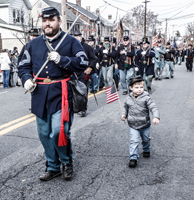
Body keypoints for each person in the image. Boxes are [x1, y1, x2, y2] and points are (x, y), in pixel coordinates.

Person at [18, 7, 88, 181]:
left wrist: (62, 60)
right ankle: (53, 166)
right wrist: (26, 78)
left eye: (51, 20)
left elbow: (83, 62)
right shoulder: (32, 44)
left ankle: (66, 162)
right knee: (43, 133)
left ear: (59, 21)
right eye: (44, 20)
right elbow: (23, 65)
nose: (47, 23)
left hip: (61, 92)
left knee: (59, 131)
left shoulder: (70, 41)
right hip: (39, 93)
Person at [121, 76, 160, 167]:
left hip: (145, 124)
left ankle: (146, 149)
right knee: (134, 141)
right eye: (136, 87)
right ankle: (133, 158)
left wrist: (156, 117)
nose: (139, 89)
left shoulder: (146, 98)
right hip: (133, 124)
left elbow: (153, 107)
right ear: (131, 88)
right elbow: (125, 108)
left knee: (146, 139)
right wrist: (124, 115)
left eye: (141, 87)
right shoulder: (128, 98)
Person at [73, 31, 96, 117]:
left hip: (83, 72)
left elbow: (93, 59)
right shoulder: (71, 46)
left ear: (81, 37)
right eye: (75, 36)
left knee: (82, 91)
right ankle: (75, 106)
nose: (76, 38)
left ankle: (83, 109)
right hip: (73, 72)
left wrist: (90, 68)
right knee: (73, 91)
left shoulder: (87, 47)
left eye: (78, 36)